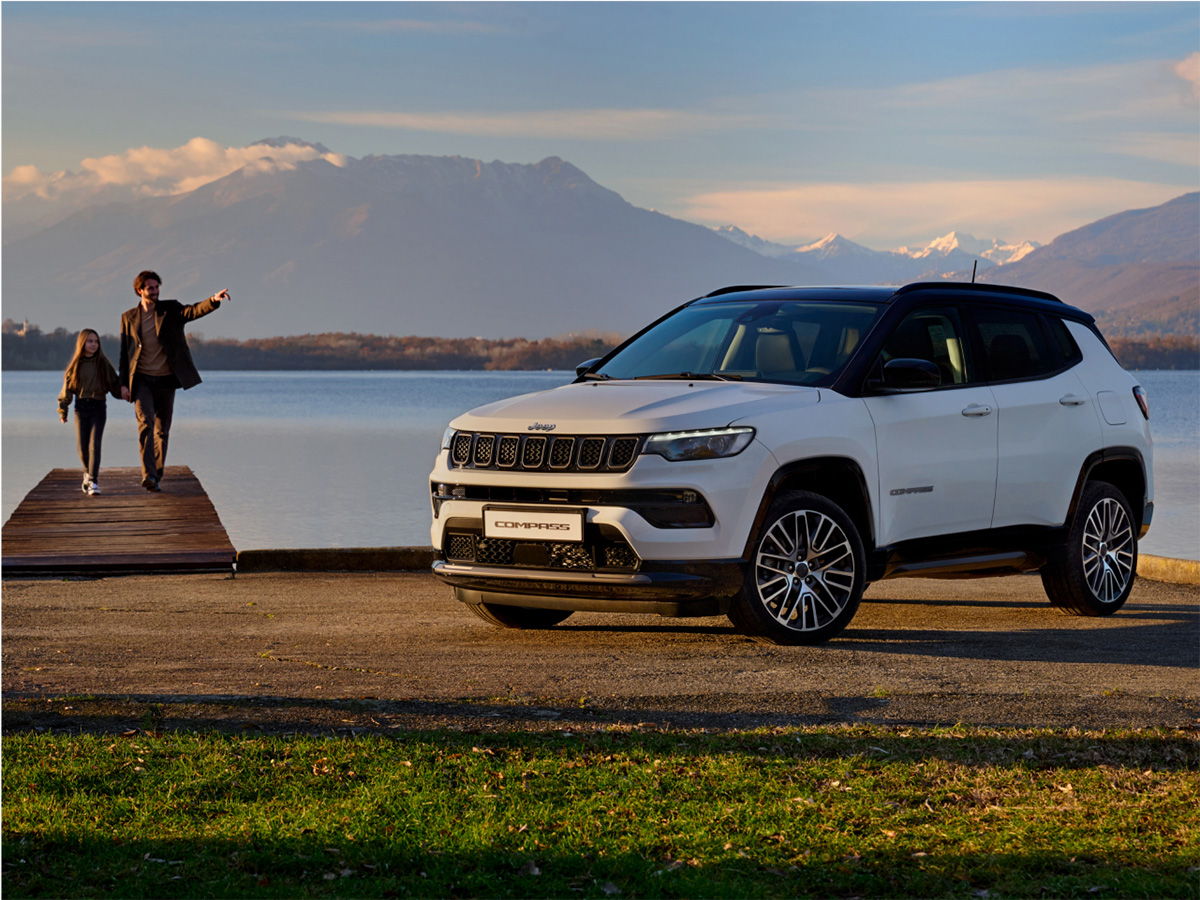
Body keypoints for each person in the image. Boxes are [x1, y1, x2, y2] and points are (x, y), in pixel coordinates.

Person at [118, 270, 230, 492]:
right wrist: (123, 384)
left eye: (157, 287)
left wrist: (213, 301)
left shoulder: (170, 309)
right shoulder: (128, 317)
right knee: (145, 424)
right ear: (139, 290)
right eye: (150, 288)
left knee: (161, 430)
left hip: (167, 380)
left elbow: (192, 311)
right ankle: (148, 473)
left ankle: (155, 476)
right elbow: (124, 354)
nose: (155, 291)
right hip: (141, 381)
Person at [58, 328, 122, 495]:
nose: (94, 344)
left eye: (96, 341)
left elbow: (114, 384)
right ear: (82, 343)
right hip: (81, 408)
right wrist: (63, 410)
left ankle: (93, 481)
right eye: (90, 341)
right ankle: (87, 473)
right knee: (82, 447)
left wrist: (125, 393)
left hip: (98, 406)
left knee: (95, 445)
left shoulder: (103, 363)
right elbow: (67, 390)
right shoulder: (75, 365)